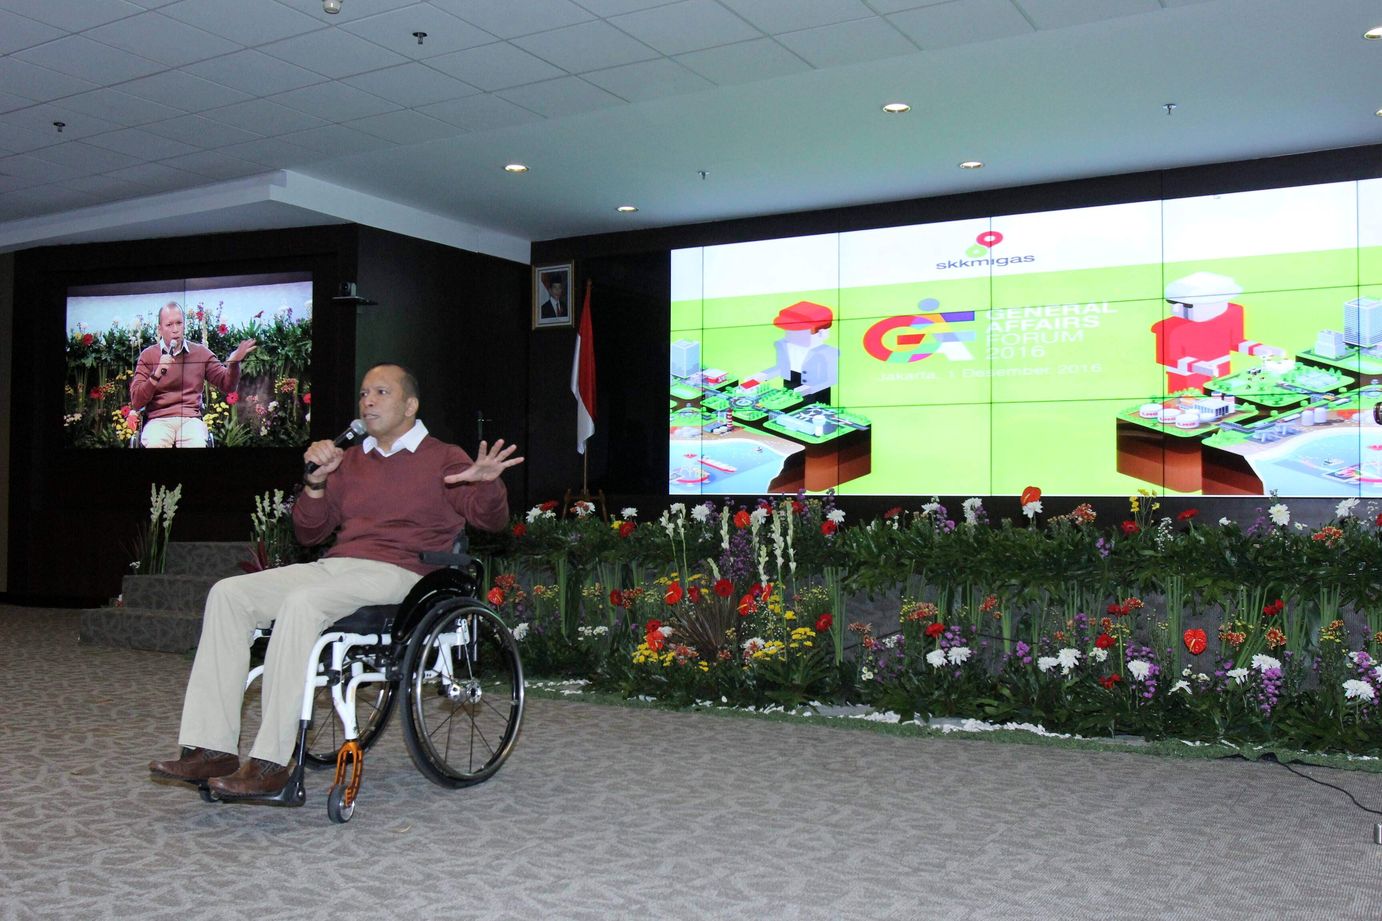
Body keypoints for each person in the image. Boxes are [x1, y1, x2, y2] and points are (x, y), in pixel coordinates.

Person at [149, 362, 524, 797]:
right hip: (339, 566)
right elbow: (310, 533)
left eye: (381, 392)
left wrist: (488, 485)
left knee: (305, 602)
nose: (368, 401)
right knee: (229, 593)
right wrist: (315, 483)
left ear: (410, 406)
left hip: (405, 572)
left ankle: (271, 761)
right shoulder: (350, 459)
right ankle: (212, 749)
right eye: (364, 393)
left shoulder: (443, 457)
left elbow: (491, 521)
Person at [129, 301, 257, 447]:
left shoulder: (200, 353)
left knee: (196, 443)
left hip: (190, 419)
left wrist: (233, 364)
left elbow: (227, 385)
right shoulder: (148, 355)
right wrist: (156, 374)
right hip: (158, 420)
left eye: (179, 323)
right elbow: (136, 401)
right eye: (169, 325)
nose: (175, 330)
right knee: (155, 443)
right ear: (160, 329)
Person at [1152, 272, 1282, 393]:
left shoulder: (1233, 313)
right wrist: (1199, 366)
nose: (1175, 310)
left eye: (1188, 305)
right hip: (1186, 377)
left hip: (1222, 369)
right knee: (1191, 400)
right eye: (1173, 304)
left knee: (1222, 395)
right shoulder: (1170, 328)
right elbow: (1169, 358)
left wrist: (1260, 349)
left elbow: (1236, 342)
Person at [761, 300, 839, 406]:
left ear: (821, 333)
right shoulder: (783, 345)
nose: (791, 336)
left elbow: (830, 380)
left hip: (816, 396)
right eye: (788, 330)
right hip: (789, 389)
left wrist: (806, 389)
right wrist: (761, 376)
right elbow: (781, 368)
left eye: (799, 332)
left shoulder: (828, 352)